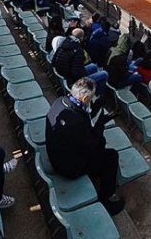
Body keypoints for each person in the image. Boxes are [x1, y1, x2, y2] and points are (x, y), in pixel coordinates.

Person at [45, 78, 125, 215]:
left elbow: (82, 119)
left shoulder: (60, 102)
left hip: (57, 154)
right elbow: (90, 145)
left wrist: (98, 106)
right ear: (84, 98)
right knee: (112, 156)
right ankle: (107, 200)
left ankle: (98, 172)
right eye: (91, 98)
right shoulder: (77, 121)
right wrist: (101, 123)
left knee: (101, 141)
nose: (91, 101)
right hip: (68, 167)